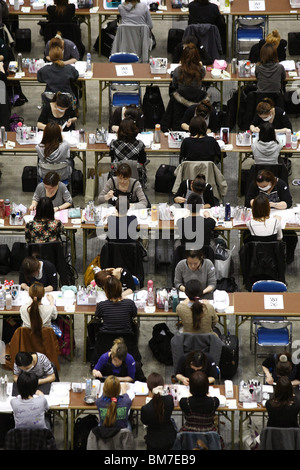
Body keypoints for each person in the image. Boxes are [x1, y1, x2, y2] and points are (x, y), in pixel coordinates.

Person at [161, 43, 207, 131]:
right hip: (197, 100)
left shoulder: (178, 70)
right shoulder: (201, 70)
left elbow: (174, 85)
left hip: (180, 102)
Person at [140, 373, 177, 450]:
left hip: (153, 441)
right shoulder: (169, 399)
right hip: (169, 437)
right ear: (162, 386)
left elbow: (145, 422)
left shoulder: (146, 408)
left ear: (149, 388)